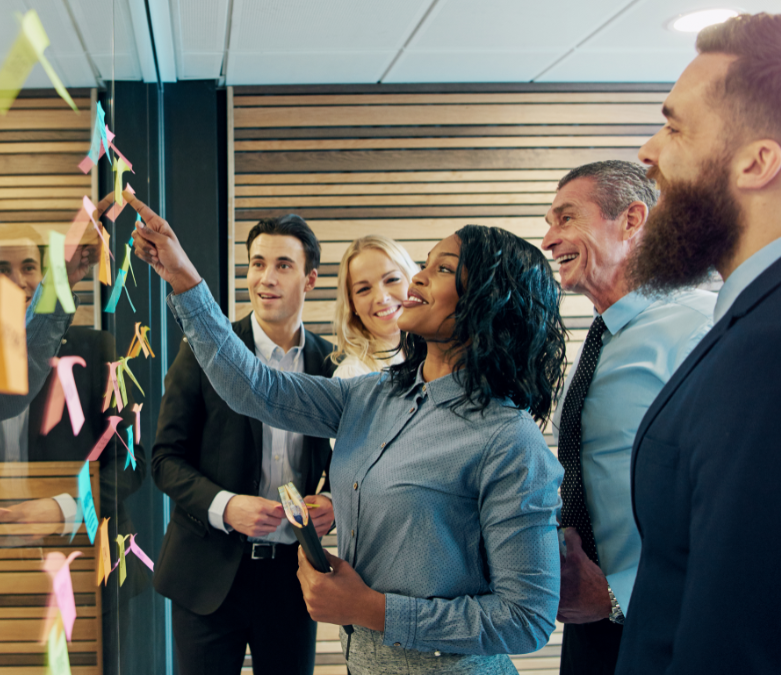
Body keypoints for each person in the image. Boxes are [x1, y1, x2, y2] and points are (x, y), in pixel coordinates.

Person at [132, 191, 566, 675]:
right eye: (425, 264)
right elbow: (252, 388)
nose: (418, 276)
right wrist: (184, 280)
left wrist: (371, 610)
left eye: (442, 269)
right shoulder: (373, 395)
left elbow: (527, 618)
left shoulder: (508, 440)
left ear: (489, 302)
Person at [611, 13, 781, 673]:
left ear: (756, 162)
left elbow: (741, 640)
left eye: (674, 125)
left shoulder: (778, 350)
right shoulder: (760, 315)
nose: (648, 151)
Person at [540, 161, 715, 675]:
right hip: (589, 620)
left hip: (665, 626)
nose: (549, 239)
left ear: (632, 219)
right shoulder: (597, 341)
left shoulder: (701, 329)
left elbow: (728, 495)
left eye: (565, 218)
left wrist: (619, 596)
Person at [0, 224, 148, 675]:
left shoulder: (97, 350)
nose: (20, 280)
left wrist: (63, 507)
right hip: (3, 575)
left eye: (29, 267)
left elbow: (130, 462)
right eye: (2, 269)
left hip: (91, 573)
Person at [152, 215, 336, 675]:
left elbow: (353, 463)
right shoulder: (205, 349)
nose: (265, 278)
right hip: (206, 575)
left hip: (294, 577)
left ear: (310, 278)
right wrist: (226, 506)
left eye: (283, 265)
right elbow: (163, 459)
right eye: (256, 264)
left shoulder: (332, 364)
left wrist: (334, 502)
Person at [331, 235, 417, 379]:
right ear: (352, 305)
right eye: (363, 289)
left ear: (412, 279)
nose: (382, 298)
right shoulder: (352, 375)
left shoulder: (443, 356)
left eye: (392, 280)